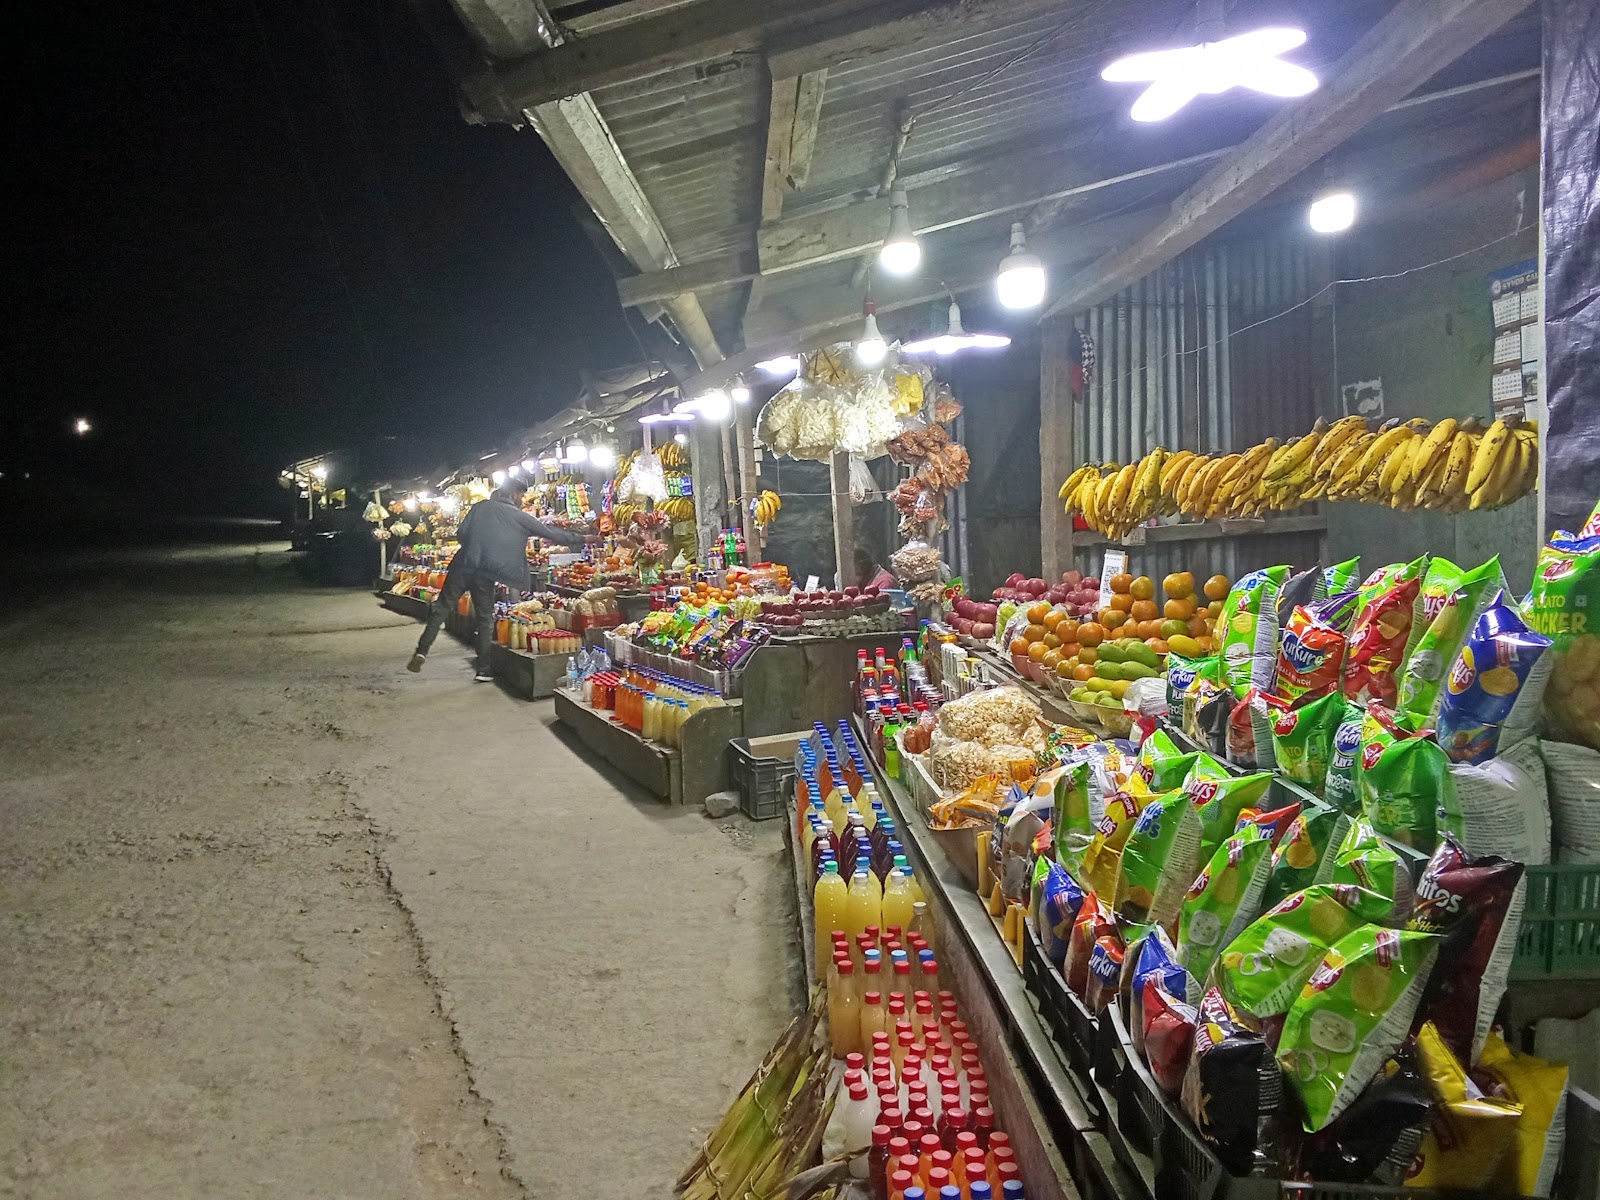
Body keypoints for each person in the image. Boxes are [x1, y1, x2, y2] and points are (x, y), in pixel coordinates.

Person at [407, 481, 588, 681]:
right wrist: (584, 539)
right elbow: (551, 534)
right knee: (485, 619)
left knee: (441, 608)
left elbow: (461, 535)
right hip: (487, 573)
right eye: (520, 495)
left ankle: (421, 651)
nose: (521, 500)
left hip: (464, 564)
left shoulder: (480, 507)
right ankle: (483, 669)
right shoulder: (520, 517)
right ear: (513, 494)